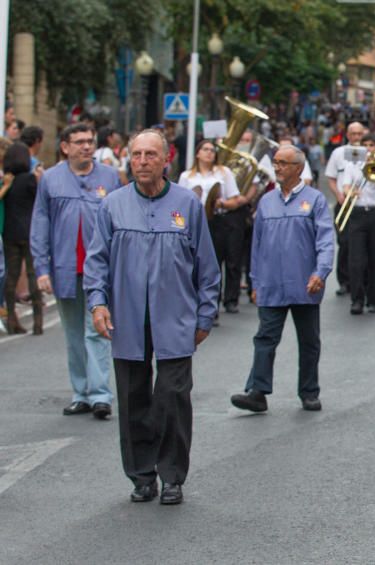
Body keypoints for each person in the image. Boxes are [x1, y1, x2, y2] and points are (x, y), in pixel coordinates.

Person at [85, 129, 220, 505]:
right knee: (132, 399)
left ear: (166, 160)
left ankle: (172, 475)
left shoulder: (186, 204)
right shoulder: (112, 205)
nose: (142, 161)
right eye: (137, 155)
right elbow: (96, 261)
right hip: (127, 318)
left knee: (173, 396)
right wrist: (98, 303)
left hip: (176, 318)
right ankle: (142, 475)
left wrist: (205, 317)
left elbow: (207, 268)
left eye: (150, 155)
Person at [230, 145, 334, 413]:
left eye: (283, 163)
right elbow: (257, 246)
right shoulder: (266, 202)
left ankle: (309, 392)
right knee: (265, 337)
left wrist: (320, 272)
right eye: (276, 162)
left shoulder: (315, 200)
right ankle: (257, 392)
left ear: (298, 168)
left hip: (305, 283)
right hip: (271, 283)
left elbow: (325, 242)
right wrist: (254, 281)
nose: (277, 167)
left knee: (309, 341)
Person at [31, 123, 120, 419]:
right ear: (65, 147)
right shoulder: (51, 180)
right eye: (79, 142)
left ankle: (100, 395)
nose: (86, 146)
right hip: (65, 268)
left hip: (100, 271)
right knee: (72, 333)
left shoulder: (109, 176)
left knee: (97, 329)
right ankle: (81, 393)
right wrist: (41, 268)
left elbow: (120, 222)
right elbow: (40, 223)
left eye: (90, 141)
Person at [178, 139, 249, 315]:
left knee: (232, 260)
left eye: (212, 150)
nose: (210, 152)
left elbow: (235, 198)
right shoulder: (187, 176)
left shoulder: (224, 173)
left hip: (221, 219)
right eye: (205, 149)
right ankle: (211, 304)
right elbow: (179, 202)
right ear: (197, 153)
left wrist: (222, 203)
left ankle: (230, 299)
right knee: (210, 263)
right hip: (198, 221)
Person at [339, 132, 375, 314]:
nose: (369, 149)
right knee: (355, 260)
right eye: (366, 146)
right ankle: (356, 300)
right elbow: (346, 186)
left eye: (372, 145)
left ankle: (373, 299)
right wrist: (351, 192)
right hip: (357, 213)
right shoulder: (352, 164)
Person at [2, 143, 41, 334]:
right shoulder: (30, 179)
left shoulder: (7, 181)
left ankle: (11, 320)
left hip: (10, 233)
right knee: (33, 274)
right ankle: (38, 322)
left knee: (11, 276)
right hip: (29, 231)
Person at [325, 122, 367, 296]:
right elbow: (331, 177)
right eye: (353, 134)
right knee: (344, 243)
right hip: (344, 202)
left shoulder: (369, 153)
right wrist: (338, 195)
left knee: (361, 245)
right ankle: (344, 281)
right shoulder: (338, 153)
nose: (356, 137)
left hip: (363, 205)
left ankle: (361, 280)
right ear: (348, 135)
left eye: (359, 134)